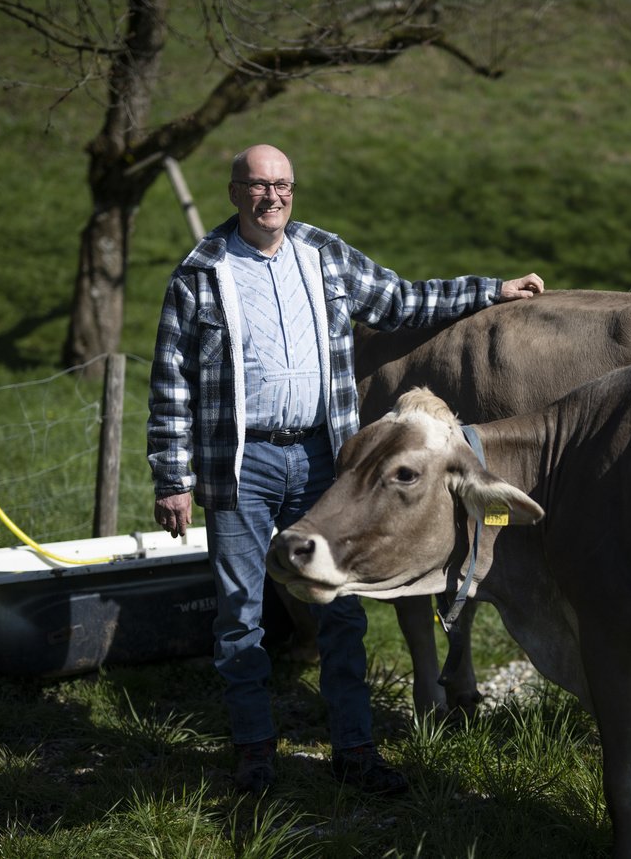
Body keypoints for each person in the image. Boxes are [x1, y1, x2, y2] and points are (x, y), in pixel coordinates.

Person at [147, 144, 544, 795]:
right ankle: (254, 752)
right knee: (240, 613)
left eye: (282, 185)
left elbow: (401, 301)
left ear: (292, 192)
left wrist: (490, 290)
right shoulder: (200, 272)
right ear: (234, 192)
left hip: (321, 460)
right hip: (237, 464)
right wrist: (173, 476)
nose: (270, 196)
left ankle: (355, 749)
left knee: (340, 609)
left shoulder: (322, 254)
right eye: (257, 185)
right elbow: (171, 383)